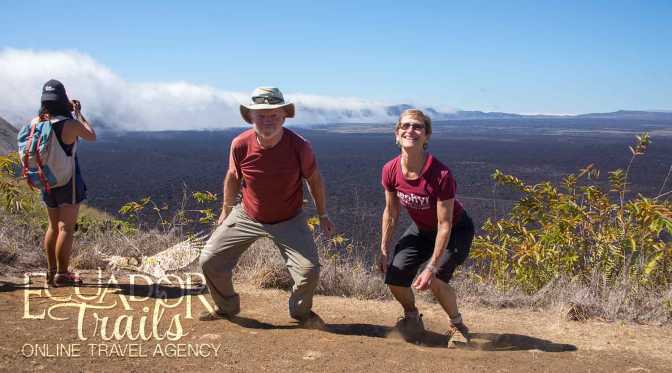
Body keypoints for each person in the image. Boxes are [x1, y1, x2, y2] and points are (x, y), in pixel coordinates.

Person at [199, 87, 335, 328]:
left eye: (274, 115)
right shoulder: (240, 144)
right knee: (210, 259)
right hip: (248, 214)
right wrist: (226, 209)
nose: (268, 120)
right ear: (251, 117)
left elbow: (314, 179)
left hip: (289, 217)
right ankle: (226, 307)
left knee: (308, 271)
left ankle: (301, 313)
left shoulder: (299, 146)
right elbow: (232, 176)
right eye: (261, 115)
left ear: (284, 116)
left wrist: (322, 214)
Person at [379, 108, 474, 342]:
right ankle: (412, 316)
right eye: (405, 126)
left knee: (437, 280)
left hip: (455, 230)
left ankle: (457, 326)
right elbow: (391, 212)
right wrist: (383, 248)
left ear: (426, 136)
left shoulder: (440, 174)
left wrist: (431, 267)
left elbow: (445, 223)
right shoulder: (390, 170)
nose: (411, 130)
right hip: (422, 229)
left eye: (418, 126)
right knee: (395, 276)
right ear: (396, 134)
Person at [37, 79, 96, 286]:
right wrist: (78, 113)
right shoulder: (69, 124)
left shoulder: (39, 122)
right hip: (67, 181)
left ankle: (51, 271)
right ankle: (62, 274)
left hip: (46, 180)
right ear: (63, 99)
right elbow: (91, 136)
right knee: (66, 228)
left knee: (52, 227)